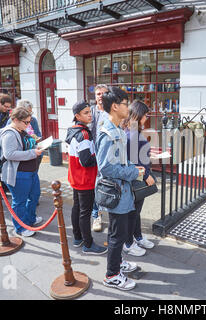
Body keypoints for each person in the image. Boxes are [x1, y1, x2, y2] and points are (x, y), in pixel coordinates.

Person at [96, 87, 145, 291]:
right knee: (117, 235)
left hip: (123, 191)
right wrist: (133, 173)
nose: (128, 107)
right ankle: (112, 275)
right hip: (116, 191)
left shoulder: (117, 129)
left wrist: (133, 168)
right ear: (115, 107)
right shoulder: (108, 132)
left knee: (120, 232)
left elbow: (119, 161)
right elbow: (105, 166)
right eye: (125, 104)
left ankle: (117, 264)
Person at [0, 107, 44, 237]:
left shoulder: (21, 130)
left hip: (30, 171)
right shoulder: (9, 133)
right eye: (25, 122)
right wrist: (33, 153)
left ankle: (30, 219)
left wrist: (36, 147)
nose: (28, 124)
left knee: (34, 196)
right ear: (14, 120)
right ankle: (20, 227)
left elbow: (24, 146)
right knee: (19, 201)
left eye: (29, 121)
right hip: (18, 173)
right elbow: (9, 154)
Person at [65, 100, 107, 255]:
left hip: (75, 177)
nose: (90, 115)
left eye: (90, 112)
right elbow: (86, 160)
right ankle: (88, 244)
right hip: (84, 179)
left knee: (77, 208)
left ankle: (77, 238)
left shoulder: (73, 129)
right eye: (86, 113)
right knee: (85, 211)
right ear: (77, 116)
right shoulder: (83, 134)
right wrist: (101, 156)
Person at [121, 100, 155, 257]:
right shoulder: (132, 132)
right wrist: (147, 175)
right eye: (146, 114)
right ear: (139, 114)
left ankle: (137, 237)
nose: (147, 117)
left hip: (135, 177)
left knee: (135, 211)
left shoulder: (130, 129)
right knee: (132, 212)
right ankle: (128, 243)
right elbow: (134, 160)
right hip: (137, 177)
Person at [90, 84, 109, 232]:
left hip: (108, 155)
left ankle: (108, 212)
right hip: (92, 156)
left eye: (104, 93)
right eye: (98, 93)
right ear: (95, 96)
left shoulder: (112, 112)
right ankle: (96, 215)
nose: (101, 96)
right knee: (95, 185)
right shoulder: (89, 111)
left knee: (107, 184)